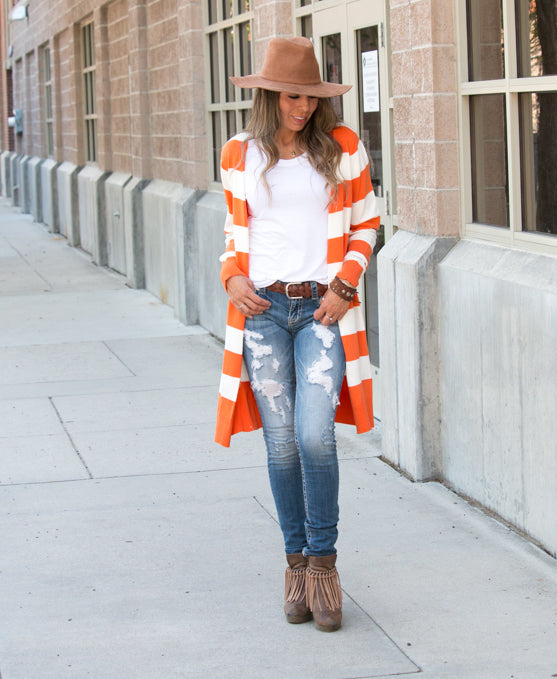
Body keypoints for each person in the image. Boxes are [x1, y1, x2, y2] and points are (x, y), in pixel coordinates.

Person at [214, 36, 379, 632]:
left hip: (321, 310)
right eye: (291, 97)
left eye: (310, 97)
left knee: (314, 435)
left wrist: (344, 286)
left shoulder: (342, 147)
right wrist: (231, 275)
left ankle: (325, 566)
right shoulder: (238, 154)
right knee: (281, 444)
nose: (303, 107)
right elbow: (234, 234)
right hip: (262, 311)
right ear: (268, 97)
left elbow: (367, 224)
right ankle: (296, 567)